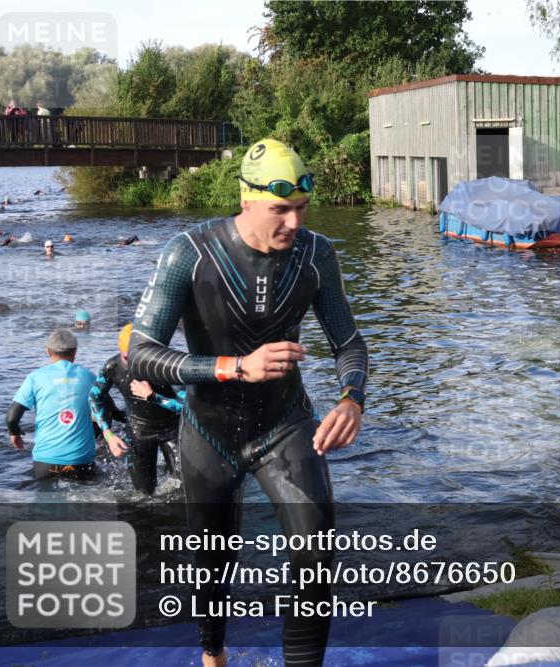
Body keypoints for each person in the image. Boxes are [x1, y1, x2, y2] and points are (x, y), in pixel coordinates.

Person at [128, 138, 368, 667]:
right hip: (208, 431)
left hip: (284, 423)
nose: (294, 222)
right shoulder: (188, 253)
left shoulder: (316, 254)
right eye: (279, 209)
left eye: (301, 208)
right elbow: (140, 355)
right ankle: (214, 656)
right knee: (212, 563)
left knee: (315, 553)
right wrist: (234, 367)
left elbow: (347, 341)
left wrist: (352, 400)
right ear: (246, 201)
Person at [90, 324, 182, 495]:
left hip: (172, 430)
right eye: (127, 358)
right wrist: (108, 435)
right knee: (142, 494)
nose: (132, 364)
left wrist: (153, 396)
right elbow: (94, 398)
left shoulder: (166, 363)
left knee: (181, 489)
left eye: (137, 358)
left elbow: (186, 405)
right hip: (138, 432)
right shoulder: (112, 367)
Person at [6, 329, 98, 481]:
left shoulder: (35, 377)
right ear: (75, 351)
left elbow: (11, 418)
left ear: (48, 351)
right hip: (81, 460)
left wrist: (14, 433)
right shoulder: (88, 376)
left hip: (45, 462)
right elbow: (106, 411)